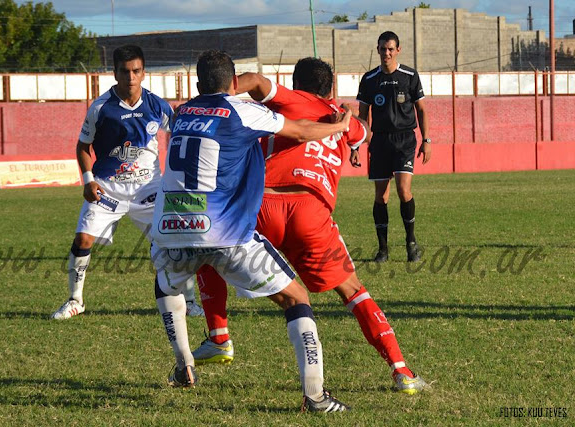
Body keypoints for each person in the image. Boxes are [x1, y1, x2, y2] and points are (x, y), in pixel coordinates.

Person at [192, 57, 427, 395]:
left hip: (264, 206)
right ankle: (401, 371)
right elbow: (363, 131)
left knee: (208, 250)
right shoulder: (345, 122)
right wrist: (346, 117)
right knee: (353, 292)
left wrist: (218, 93)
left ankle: (219, 337)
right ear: (330, 89)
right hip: (312, 213)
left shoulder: (292, 99)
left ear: (296, 84)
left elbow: (255, 80)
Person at [151, 50, 352, 412]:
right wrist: (339, 127)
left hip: (171, 227)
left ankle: (184, 365)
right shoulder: (241, 110)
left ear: (197, 83)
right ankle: (316, 396)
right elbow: (301, 131)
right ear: (233, 83)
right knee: (297, 298)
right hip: (223, 233)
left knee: (166, 284)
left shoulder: (182, 113)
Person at [51, 45, 203, 320]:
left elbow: (180, 131)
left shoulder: (157, 105)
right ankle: (75, 300)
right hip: (107, 189)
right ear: (115, 73)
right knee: (83, 239)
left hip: (149, 189)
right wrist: (88, 181)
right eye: (124, 71)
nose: (130, 77)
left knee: (175, 240)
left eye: (136, 71)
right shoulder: (101, 108)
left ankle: (189, 301)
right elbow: (83, 146)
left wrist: (186, 116)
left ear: (143, 73)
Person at [352, 31, 432, 263]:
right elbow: (363, 116)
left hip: (405, 139)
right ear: (377, 50)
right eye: (382, 49)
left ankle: (411, 243)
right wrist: (356, 146)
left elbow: (422, 110)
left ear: (398, 50)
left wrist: (426, 140)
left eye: (390, 49)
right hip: (379, 141)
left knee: (403, 191)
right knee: (381, 196)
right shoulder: (369, 79)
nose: (386, 53)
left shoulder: (410, 75)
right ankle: (383, 249)